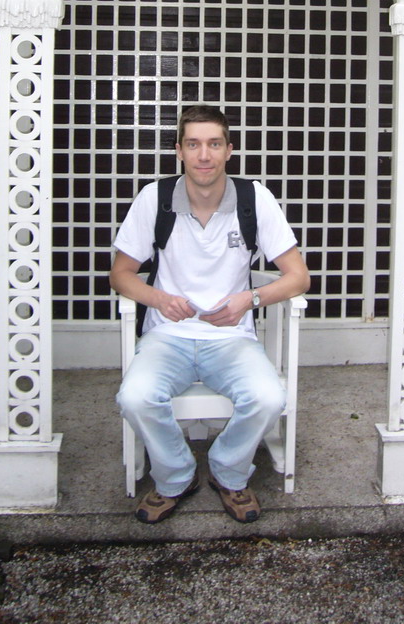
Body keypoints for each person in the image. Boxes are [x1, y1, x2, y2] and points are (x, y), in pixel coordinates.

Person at [111, 104, 311, 524]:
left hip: (232, 339)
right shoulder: (156, 198)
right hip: (169, 336)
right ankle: (175, 476)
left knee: (269, 397)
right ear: (179, 151)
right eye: (194, 144)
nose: (204, 155)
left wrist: (249, 300)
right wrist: (159, 300)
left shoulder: (254, 198)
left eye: (214, 144)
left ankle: (229, 472)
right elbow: (121, 274)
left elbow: (298, 277)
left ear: (229, 150)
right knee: (134, 397)